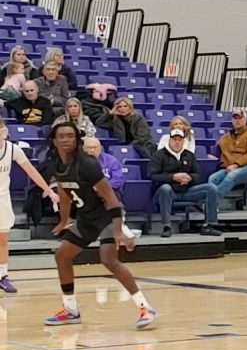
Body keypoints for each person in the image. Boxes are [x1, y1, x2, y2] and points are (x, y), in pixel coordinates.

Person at [43, 122, 158, 329]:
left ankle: (145, 307)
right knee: (62, 256)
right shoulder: (56, 164)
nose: (66, 139)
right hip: (86, 219)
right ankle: (70, 310)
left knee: (108, 260)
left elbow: (111, 198)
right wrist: (64, 219)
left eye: (70, 135)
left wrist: (119, 231)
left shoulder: (87, 164)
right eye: (62, 136)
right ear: (54, 140)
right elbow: (64, 194)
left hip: (107, 216)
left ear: (77, 139)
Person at [0, 118, 60, 293]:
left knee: (2, 239)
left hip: (2, 199)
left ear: (4, 130)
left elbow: (32, 172)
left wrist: (49, 191)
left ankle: (2, 276)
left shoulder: (13, 149)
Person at [150, 129, 219, 238]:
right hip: (168, 191)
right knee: (165, 188)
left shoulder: (189, 155)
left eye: (179, 140)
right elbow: (152, 175)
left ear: (183, 141)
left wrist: (190, 178)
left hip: (187, 190)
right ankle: (166, 226)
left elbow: (198, 174)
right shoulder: (159, 155)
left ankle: (209, 225)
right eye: (175, 139)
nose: (177, 142)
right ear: (169, 140)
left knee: (211, 188)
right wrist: (173, 177)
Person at [208, 108, 247, 202]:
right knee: (212, 178)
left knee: (232, 175)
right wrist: (212, 156)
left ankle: (212, 203)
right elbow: (216, 149)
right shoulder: (225, 137)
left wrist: (236, 164)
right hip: (229, 168)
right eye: (235, 118)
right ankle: (210, 203)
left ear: (246, 120)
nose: (237, 120)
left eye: (240, 118)